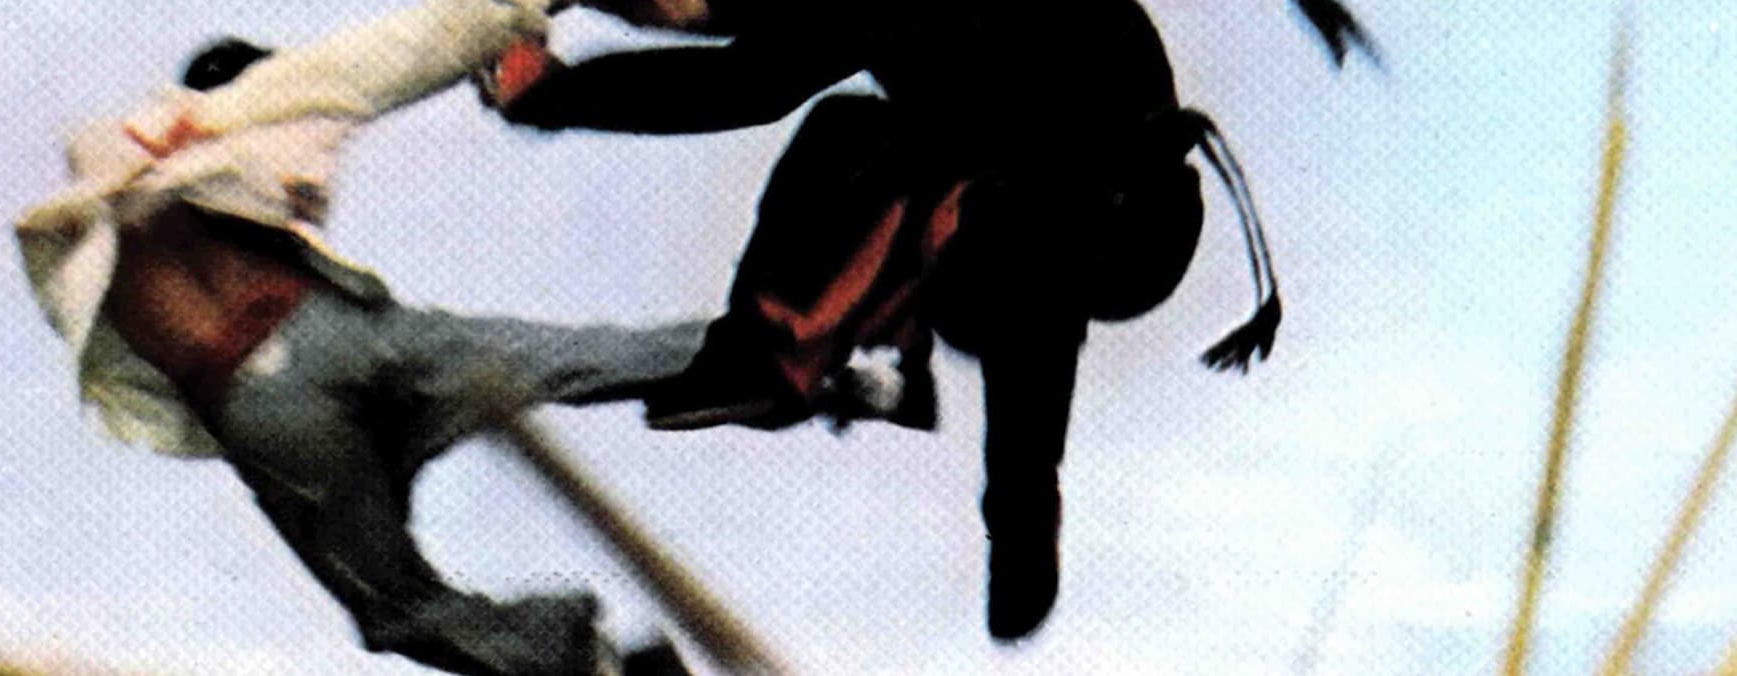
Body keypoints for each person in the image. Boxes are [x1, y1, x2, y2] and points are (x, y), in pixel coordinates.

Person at [480, 0, 1371, 641]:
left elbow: (736, 80)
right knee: (859, 137)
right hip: (1042, 198)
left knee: (948, 194)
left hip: (1114, 226)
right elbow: (722, 40)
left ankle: (842, 394)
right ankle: (792, 357)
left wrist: (552, 97)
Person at [16, 2, 700, 672]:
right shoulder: (218, 133)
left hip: (263, 403)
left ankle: (583, 663)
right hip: (340, 337)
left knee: (394, 605)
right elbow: (383, 62)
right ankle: (751, 351)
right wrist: (506, 18)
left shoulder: (114, 195)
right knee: (571, 357)